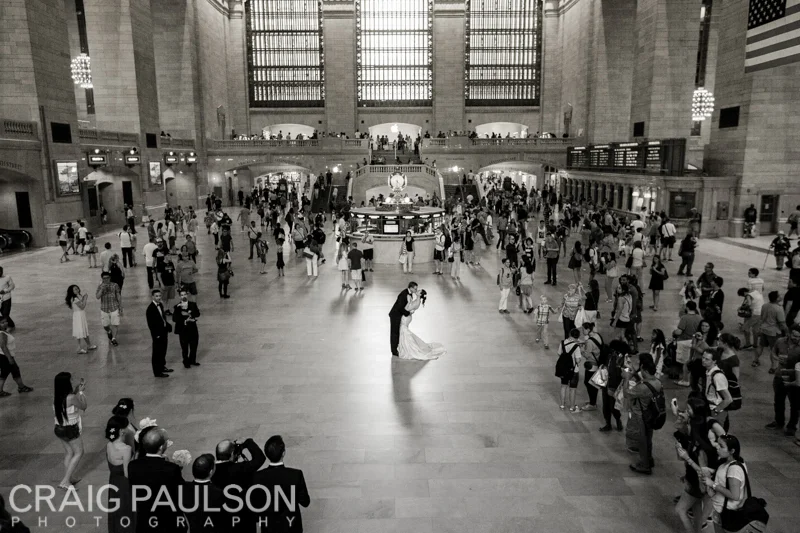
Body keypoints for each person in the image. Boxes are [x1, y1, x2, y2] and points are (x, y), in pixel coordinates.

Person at [127, 427, 186, 533]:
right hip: (167, 522)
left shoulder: (133, 466)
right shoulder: (171, 469)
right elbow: (181, 493)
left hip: (145, 521)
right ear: (161, 447)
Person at [251, 436, 310, 533]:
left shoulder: (257, 477)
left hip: (268, 527)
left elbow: (256, 505)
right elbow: (305, 502)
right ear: (283, 453)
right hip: (291, 527)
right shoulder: (295, 475)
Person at [212, 438, 266, 532]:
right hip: (244, 518)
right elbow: (260, 458)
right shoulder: (242, 468)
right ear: (233, 454)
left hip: (221, 519)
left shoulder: (210, 471)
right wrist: (248, 442)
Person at [623, 352, 662, 475]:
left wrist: (627, 377)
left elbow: (626, 393)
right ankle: (648, 459)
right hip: (651, 415)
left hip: (641, 416)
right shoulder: (657, 382)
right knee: (648, 439)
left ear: (645, 370)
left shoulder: (643, 387)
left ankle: (645, 465)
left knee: (642, 440)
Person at [703, 435, 749, 532]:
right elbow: (726, 478)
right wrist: (712, 471)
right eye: (717, 443)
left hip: (725, 512)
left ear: (732, 451)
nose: (717, 447)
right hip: (722, 510)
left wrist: (713, 484)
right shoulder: (733, 461)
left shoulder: (734, 469)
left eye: (721, 446)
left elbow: (734, 495)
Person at [53, 372, 86, 489]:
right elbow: (83, 406)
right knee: (79, 452)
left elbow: (69, 401)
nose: (72, 381)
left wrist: (77, 390)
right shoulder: (71, 397)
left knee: (69, 453)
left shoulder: (58, 396)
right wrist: (81, 392)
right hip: (70, 429)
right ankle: (66, 481)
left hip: (59, 428)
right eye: (71, 380)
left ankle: (70, 477)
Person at [765, 325, 800, 435]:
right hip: (780, 374)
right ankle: (779, 421)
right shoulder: (780, 341)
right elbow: (773, 352)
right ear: (789, 333)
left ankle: (792, 427)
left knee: (794, 404)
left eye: (799, 337)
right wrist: (776, 359)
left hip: (794, 377)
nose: (796, 338)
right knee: (778, 400)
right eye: (794, 335)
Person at [398, 288, 445, 360]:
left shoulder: (417, 301)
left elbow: (407, 308)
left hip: (406, 317)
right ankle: (404, 346)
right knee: (404, 331)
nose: (417, 290)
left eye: (419, 291)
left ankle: (408, 348)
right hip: (407, 317)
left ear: (420, 294)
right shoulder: (417, 300)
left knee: (403, 330)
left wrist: (407, 301)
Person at [105, 416, 134, 533]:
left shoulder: (109, 445)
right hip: (124, 485)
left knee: (116, 509)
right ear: (121, 431)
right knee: (127, 510)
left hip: (113, 481)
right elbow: (127, 473)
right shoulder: (126, 449)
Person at [0, 319, 33, 397]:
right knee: (4, 373)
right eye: (2, 323)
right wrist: (9, 358)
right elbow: (3, 346)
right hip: (4, 356)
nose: (5, 323)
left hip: (7, 355)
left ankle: (21, 387)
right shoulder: (2, 334)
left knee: (15, 370)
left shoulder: (4, 332)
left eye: (5, 322)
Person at [146, 289, 173, 378]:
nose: (158, 298)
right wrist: (156, 334)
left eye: (159, 296)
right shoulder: (150, 309)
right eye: (156, 296)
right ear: (152, 297)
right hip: (157, 333)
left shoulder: (160, 305)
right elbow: (151, 324)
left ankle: (162, 366)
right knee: (157, 352)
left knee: (163, 350)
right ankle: (157, 372)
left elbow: (162, 317)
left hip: (163, 331)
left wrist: (167, 325)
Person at [173, 288, 201, 369]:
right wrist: (184, 318)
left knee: (194, 345)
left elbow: (198, 313)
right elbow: (174, 319)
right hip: (183, 329)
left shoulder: (192, 304)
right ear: (179, 297)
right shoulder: (177, 307)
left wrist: (190, 313)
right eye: (181, 295)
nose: (183, 296)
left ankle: (192, 360)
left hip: (192, 328)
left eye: (184, 294)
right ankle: (186, 361)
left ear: (187, 295)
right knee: (184, 347)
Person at [389, 282, 418, 356]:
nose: (416, 290)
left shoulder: (409, 293)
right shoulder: (403, 294)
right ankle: (394, 351)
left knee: (398, 332)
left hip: (399, 315)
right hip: (395, 315)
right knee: (394, 333)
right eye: (415, 288)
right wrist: (408, 313)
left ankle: (398, 347)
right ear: (410, 288)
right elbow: (399, 307)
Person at [557, 328, 582, 412]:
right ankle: (572, 406)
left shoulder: (562, 343)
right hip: (574, 370)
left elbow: (559, 354)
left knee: (563, 386)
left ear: (570, 334)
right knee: (573, 389)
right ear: (577, 337)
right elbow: (578, 360)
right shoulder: (576, 346)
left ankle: (562, 404)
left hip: (564, 369)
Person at [65, 285, 96, 354]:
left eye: (77, 288)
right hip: (78, 315)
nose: (77, 290)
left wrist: (83, 298)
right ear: (72, 291)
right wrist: (85, 298)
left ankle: (89, 345)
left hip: (81, 315)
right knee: (80, 331)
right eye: (75, 289)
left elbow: (81, 304)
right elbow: (82, 307)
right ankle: (79, 348)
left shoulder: (78, 296)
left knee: (84, 330)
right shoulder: (74, 299)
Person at [96, 271, 122, 347]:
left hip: (114, 307)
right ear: (102, 279)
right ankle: (109, 331)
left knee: (115, 324)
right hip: (104, 308)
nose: (106, 280)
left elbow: (118, 295)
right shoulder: (100, 286)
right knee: (105, 325)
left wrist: (120, 305)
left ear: (110, 278)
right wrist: (101, 289)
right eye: (104, 278)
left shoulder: (115, 285)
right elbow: (97, 297)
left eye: (107, 278)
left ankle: (113, 339)